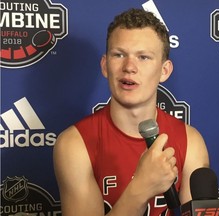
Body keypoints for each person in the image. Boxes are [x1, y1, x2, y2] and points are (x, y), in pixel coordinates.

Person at [53, 8, 209, 216]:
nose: (129, 67)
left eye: (143, 57)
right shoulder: (74, 144)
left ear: (164, 71)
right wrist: (141, 188)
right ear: (105, 65)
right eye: (119, 55)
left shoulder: (191, 141)